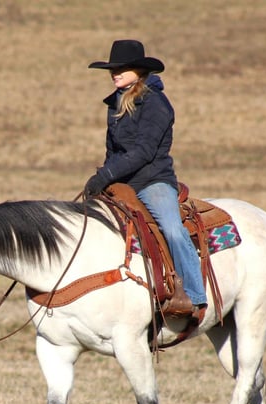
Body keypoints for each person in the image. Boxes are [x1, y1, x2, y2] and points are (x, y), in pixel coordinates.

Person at [84, 39, 207, 321]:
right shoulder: (115, 102)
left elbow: (144, 152)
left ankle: (195, 295)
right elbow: (112, 150)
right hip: (122, 182)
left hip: (153, 181)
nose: (115, 74)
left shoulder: (156, 104)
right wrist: (103, 180)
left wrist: (105, 175)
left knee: (172, 229)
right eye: (112, 69)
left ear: (138, 71)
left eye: (122, 69)